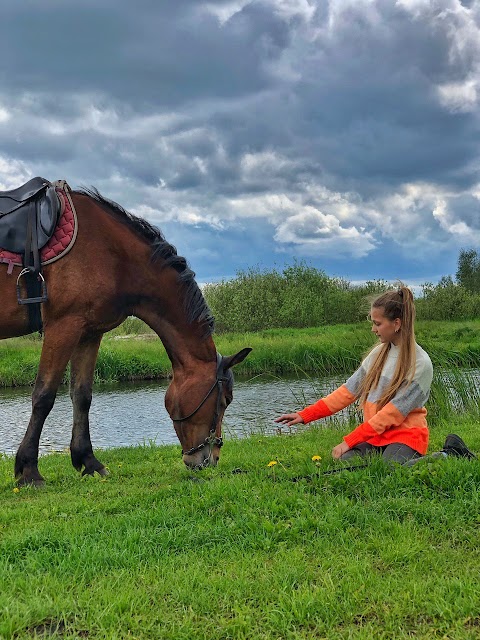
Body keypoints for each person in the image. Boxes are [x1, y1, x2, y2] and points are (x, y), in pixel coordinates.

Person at [275, 284, 476, 465]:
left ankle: (449, 454)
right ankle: (387, 455)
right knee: (347, 462)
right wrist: (305, 415)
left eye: (377, 323)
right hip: (376, 436)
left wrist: (349, 441)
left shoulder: (420, 364)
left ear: (396, 323)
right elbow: (346, 392)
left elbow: (391, 415)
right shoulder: (377, 354)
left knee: (391, 468)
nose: (373, 329)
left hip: (405, 435)